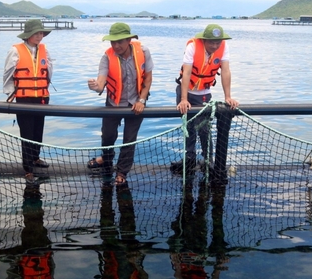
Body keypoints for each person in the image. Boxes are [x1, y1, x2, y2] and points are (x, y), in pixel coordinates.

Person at [87, 22, 153, 186]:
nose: (116, 46)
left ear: (129, 39)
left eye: (120, 42)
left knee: (129, 139)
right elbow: (101, 81)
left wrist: (141, 100)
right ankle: (106, 160)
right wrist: (96, 87)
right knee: (108, 136)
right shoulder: (107, 57)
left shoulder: (143, 52)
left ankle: (122, 172)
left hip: (136, 104)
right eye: (112, 42)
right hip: (113, 104)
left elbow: (148, 79)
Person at [170, 24, 239, 173]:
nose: (215, 45)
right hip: (187, 92)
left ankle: (208, 160)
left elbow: (226, 70)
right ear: (204, 40)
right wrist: (183, 99)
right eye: (211, 42)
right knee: (188, 128)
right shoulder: (192, 47)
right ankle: (189, 159)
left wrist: (228, 97)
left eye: (217, 42)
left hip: (204, 94)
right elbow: (187, 73)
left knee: (204, 129)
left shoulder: (223, 47)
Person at [3, 19, 53, 183]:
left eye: (41, 33)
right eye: (37, 33)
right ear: (29, 34)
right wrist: (10, 93)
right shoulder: (16, 50)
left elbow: (49, 70)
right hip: (24, 97)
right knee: (27, 132)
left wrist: (45, 89)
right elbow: (8, 74)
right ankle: (28, 168)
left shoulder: (44, 50)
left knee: (39, 129)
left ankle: (36, 158)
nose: (40, 36)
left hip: (42, 97)